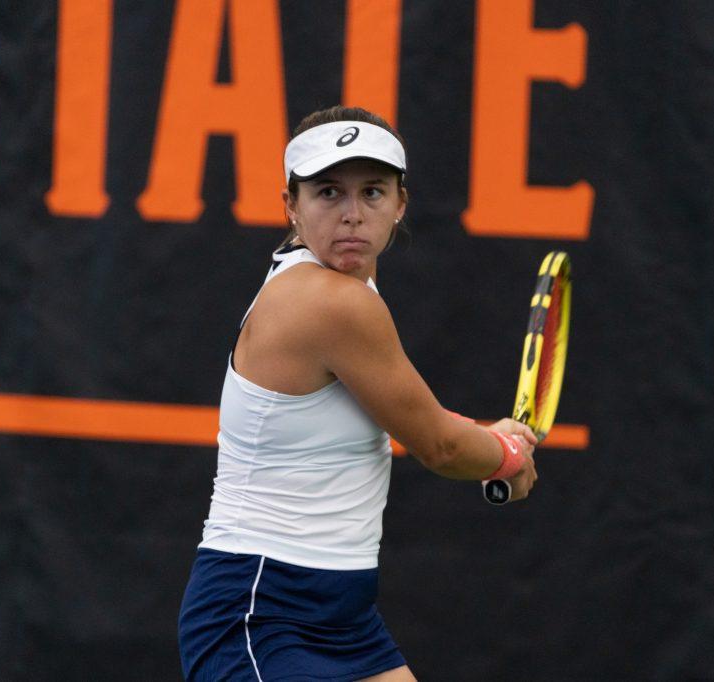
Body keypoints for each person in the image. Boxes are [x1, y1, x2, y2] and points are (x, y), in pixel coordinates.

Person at [178, 105, 538, 681]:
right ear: (291, 207)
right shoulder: (331, 302)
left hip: (342, 613)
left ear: (400, 204)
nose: (351, 215)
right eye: (328, 193)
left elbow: (403, 413)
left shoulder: (351, 290)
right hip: (260, 608)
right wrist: (507, 457)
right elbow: (439, 448)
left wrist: (484, 436)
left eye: (372, 192)